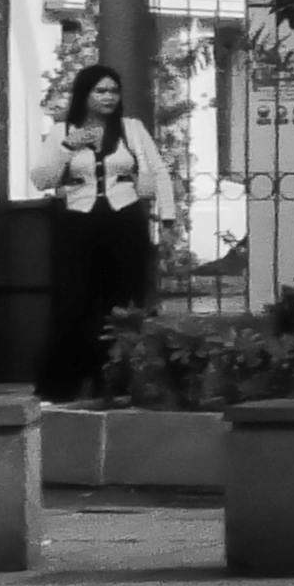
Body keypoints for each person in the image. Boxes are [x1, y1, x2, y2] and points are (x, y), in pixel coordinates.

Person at [37, 66, 170, 402]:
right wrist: (67, 147)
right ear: (85, 94)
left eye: (113, 91)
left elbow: (158, 171)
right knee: (75, 301)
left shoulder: (131, 129)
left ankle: (119, 380)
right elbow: (42, 179)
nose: (108, 97)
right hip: (78, 222)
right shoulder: (62, 131)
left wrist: (167, 218)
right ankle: (65, 384)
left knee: (124, 300)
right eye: (100, 91)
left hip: (124, 220)